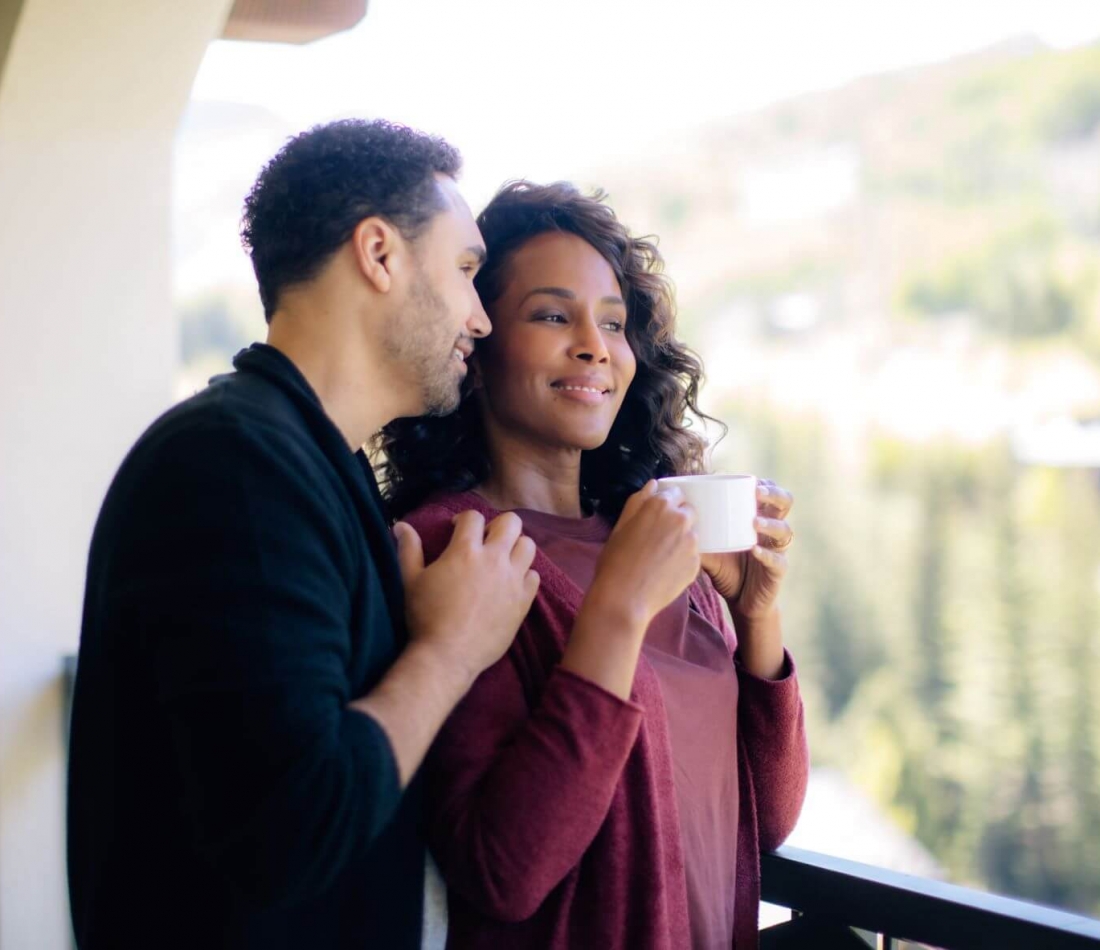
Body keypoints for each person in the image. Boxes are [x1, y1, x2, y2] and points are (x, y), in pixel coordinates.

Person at [67, 120, 540, 950]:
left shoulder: (313, 466)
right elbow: (295, 827)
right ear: (380, 255)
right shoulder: (233, 467)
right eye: (466, 271)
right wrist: (451, 649)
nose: (482, 318)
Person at [376, 181, 810, 950]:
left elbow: (765, 820)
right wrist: (617, 609)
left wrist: (756, 620)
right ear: (476, 345)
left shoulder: (661, 536)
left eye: (612, 323)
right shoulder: (455, 551)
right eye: (551, 315)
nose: (594, 346)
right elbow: (504, 872)